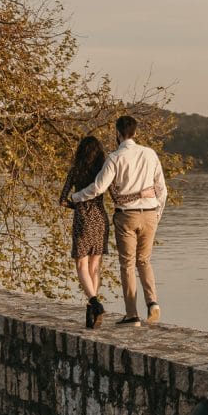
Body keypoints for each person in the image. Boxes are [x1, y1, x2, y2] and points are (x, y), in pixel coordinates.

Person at [70, 115, 167, 326]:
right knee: (145, 260)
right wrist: (157, 214)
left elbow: (98, 187)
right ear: (135, 132)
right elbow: (162, 189)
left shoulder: (114, 157)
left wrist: (76, 197)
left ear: (117, 133)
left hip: (127, 216)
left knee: (128, 264)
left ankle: (132, 315)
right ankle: (152, 302)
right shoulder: (150, 154)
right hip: (150, 213)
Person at [59, 136, 109, 329]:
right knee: (95, 265)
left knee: (81, 264)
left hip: (83, 219)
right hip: (100, 218)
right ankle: (92, 308)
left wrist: (77, 206)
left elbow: (62, 200)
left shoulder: (75, 171)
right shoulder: (102, 171)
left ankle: (95, 303)